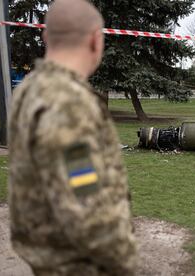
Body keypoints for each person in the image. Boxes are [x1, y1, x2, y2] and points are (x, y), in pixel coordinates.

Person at [8, 0, 137, 275]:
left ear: (46, 38)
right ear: (95, 40)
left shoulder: (29, 90)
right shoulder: (67, 105)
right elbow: (86, 205)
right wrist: (125, 262)